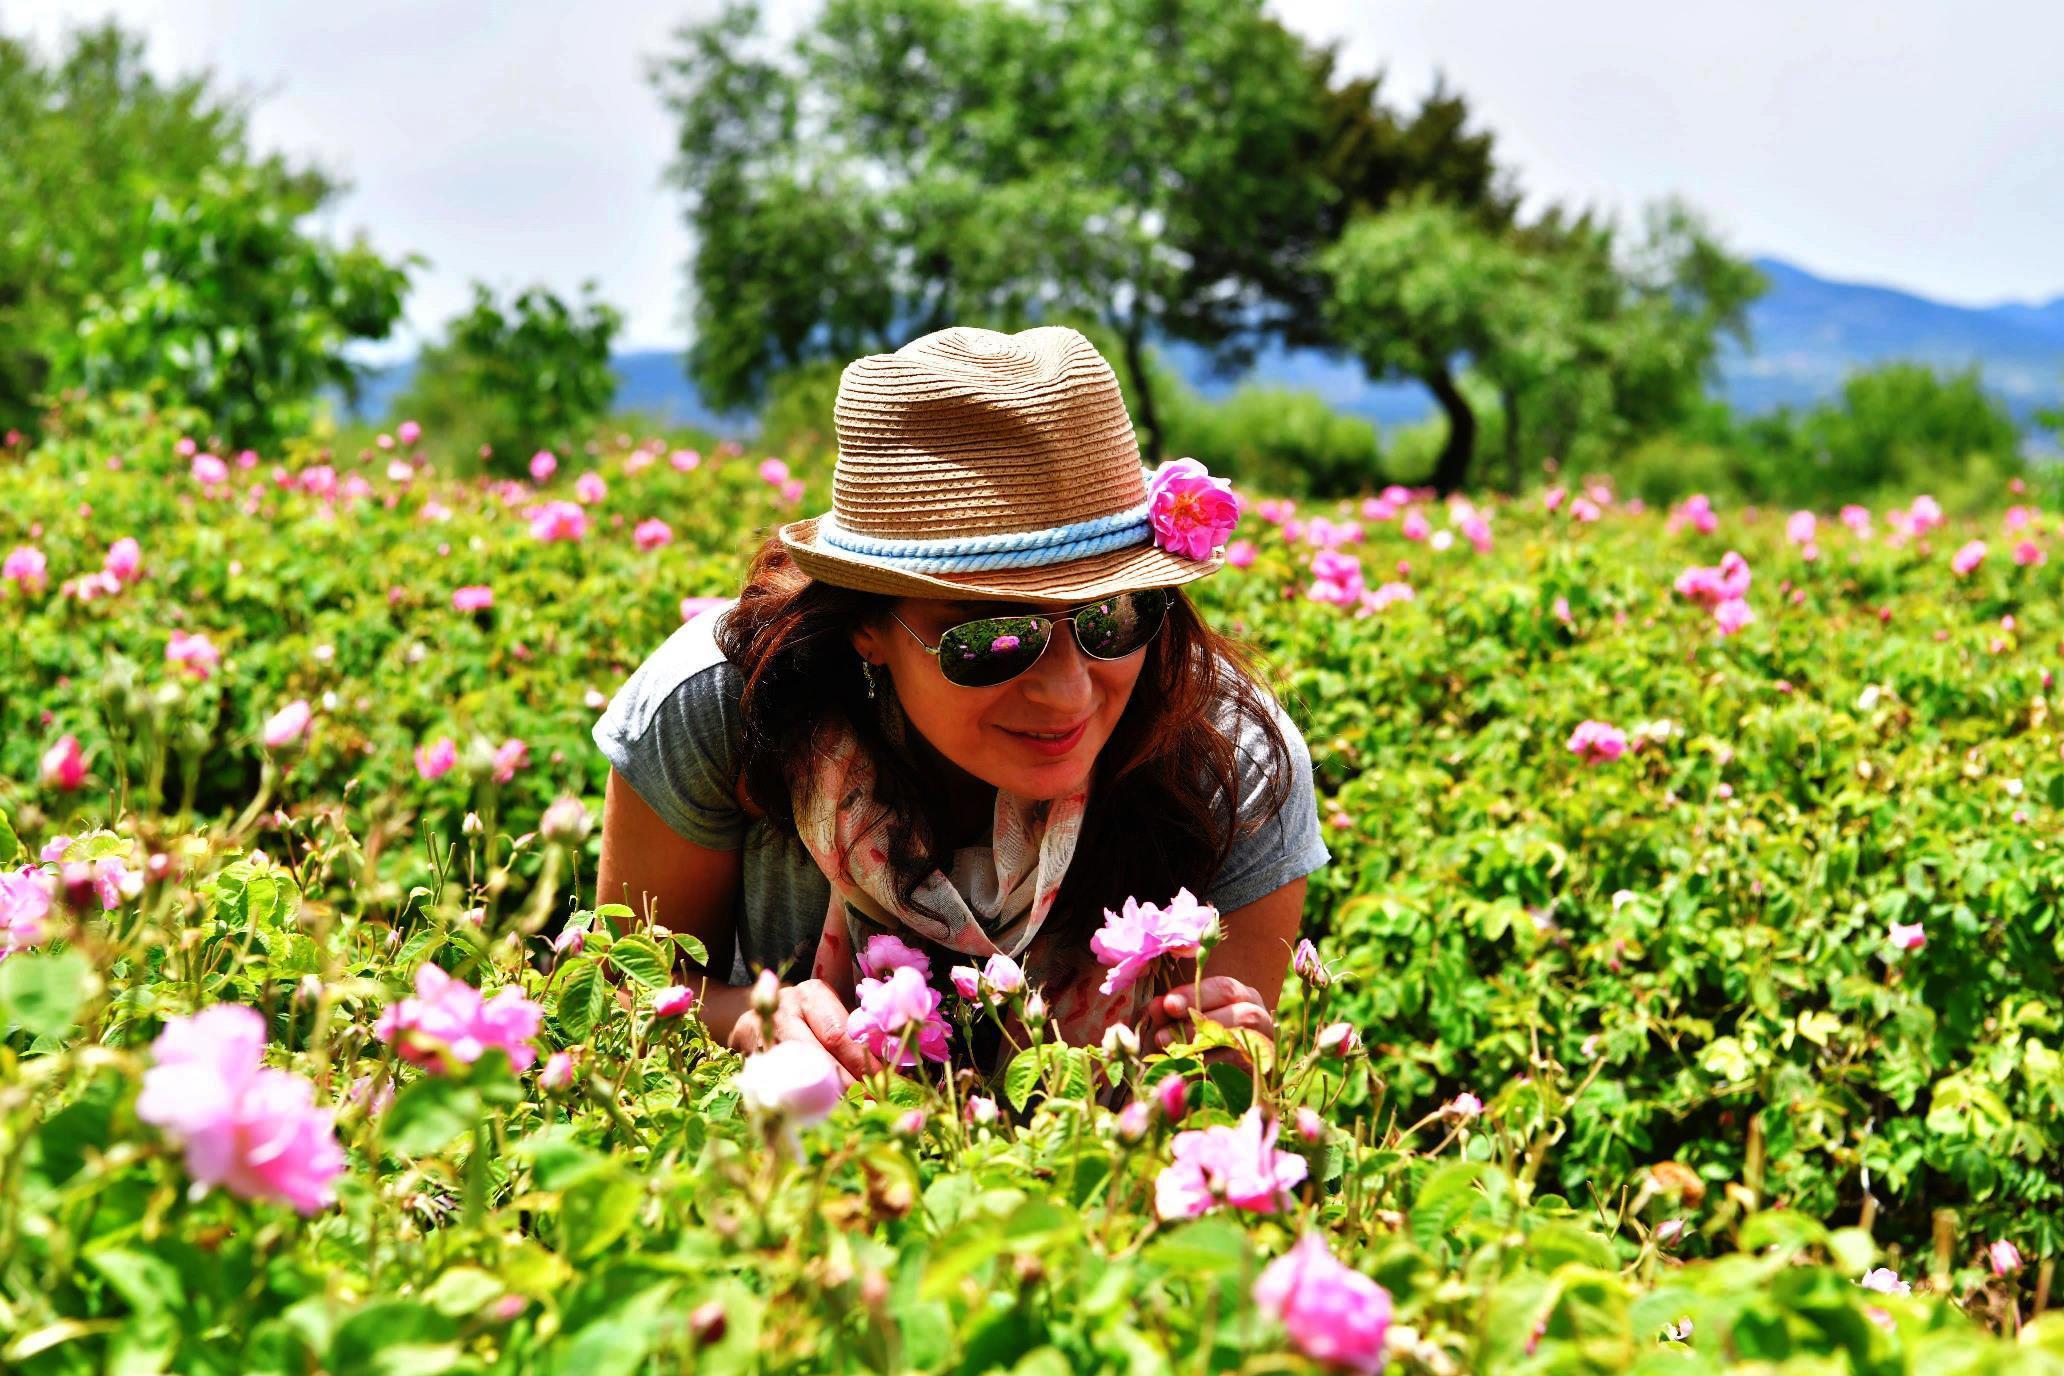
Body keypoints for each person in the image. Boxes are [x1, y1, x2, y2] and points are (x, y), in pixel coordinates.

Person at [592, 324, 1330, 1085]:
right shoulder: (719, 705)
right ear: (868, 626)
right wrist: (746, 1019)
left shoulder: (1232, 758)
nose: (1069, 692)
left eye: (1114, 617)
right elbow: (618, 1001)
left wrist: (1187, 1076)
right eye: (995, 639)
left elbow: (1227, 1118)